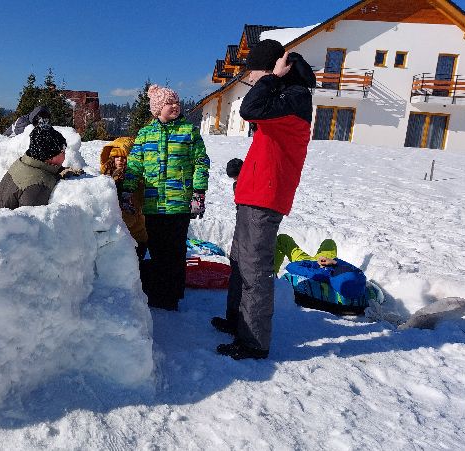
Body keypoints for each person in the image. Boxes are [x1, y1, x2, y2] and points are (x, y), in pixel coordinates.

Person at [213, 39, 315, 360]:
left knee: (255, 269)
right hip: (253, 191)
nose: (251, 80)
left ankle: (254, 342)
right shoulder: (282, 97)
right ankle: (237, 322)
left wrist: (270, 78)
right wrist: (244, 170)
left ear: (272, 68)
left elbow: (249, 109)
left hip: (266, 197)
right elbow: (273, 146)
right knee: (239, 261)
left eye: (253, 72)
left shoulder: (295, 97)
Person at [121, 84, 210, 311]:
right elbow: (134, 166)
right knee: (158, 251)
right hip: (153, 205)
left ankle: (172, 296)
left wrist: (198, 193)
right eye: (170, 103)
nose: (175, 106)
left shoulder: (188, 131)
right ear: (158, 108)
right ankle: (159, 292)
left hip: (179, 205)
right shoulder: (145, 134)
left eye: (177, 102)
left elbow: (201, 163)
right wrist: (128, 190)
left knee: (176, 251)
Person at [0, 124, 83, 210]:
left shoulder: (25, 162)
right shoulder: (38, 187)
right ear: (50, 156)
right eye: (63, 151)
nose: (65, 154)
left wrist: (62, 172)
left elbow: (42, 171)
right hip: (4, 223)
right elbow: (32, 221)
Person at [273, 234, 366, 299]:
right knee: (329, 242)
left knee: (282, 239)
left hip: (307, 263)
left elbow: (291, 266)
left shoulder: (321, 274)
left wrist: (316, 264)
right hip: (328, 261)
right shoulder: (359, 277)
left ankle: (272, 275)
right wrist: (333, 262)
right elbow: (350, 268)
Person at [100, 137, 148, 260]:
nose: (120, 160)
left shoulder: (136, 182)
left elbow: (133, 211)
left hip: (135, 238)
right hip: (116, 237)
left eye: (124, 157)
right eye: (117, 157)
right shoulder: (105, 178)